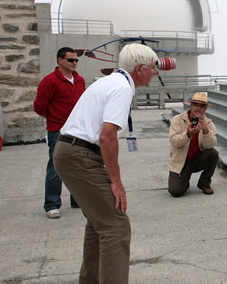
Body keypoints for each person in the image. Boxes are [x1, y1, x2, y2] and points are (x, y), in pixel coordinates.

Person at [52, 43, 159, 284]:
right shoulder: (122, 87)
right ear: (140, 68)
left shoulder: (109, 81)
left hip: (70, 151)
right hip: (80, 155)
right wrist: (116, 181)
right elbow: (107, 136)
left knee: (99, 222)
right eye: (153, 67)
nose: (156, 72)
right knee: (116, 226)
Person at [33, 46, 85, 219]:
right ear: (60, 60)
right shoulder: (49, 81)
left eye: (76, 60)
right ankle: (52, 204)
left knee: (77, 165)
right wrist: (55, 118)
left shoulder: (80, 80)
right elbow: (40, 107)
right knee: (56, 167)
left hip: (77, 130)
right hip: (58, 131)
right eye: (71, 60)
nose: (74, 63)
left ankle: (77, 199)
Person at [168, 92, 219, 197]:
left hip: (197, 160)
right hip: (181, 162)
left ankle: (204, 183)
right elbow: (174, 141)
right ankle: (184, 181)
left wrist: (205, 131)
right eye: (195, 104)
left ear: (205, 109)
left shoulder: (208, 123)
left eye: (202, 106)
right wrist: (188, 134)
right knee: (176, 191)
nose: (198, 108)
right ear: (191, 106)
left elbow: (211, 144)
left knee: (213, 154)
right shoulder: (178, 119)